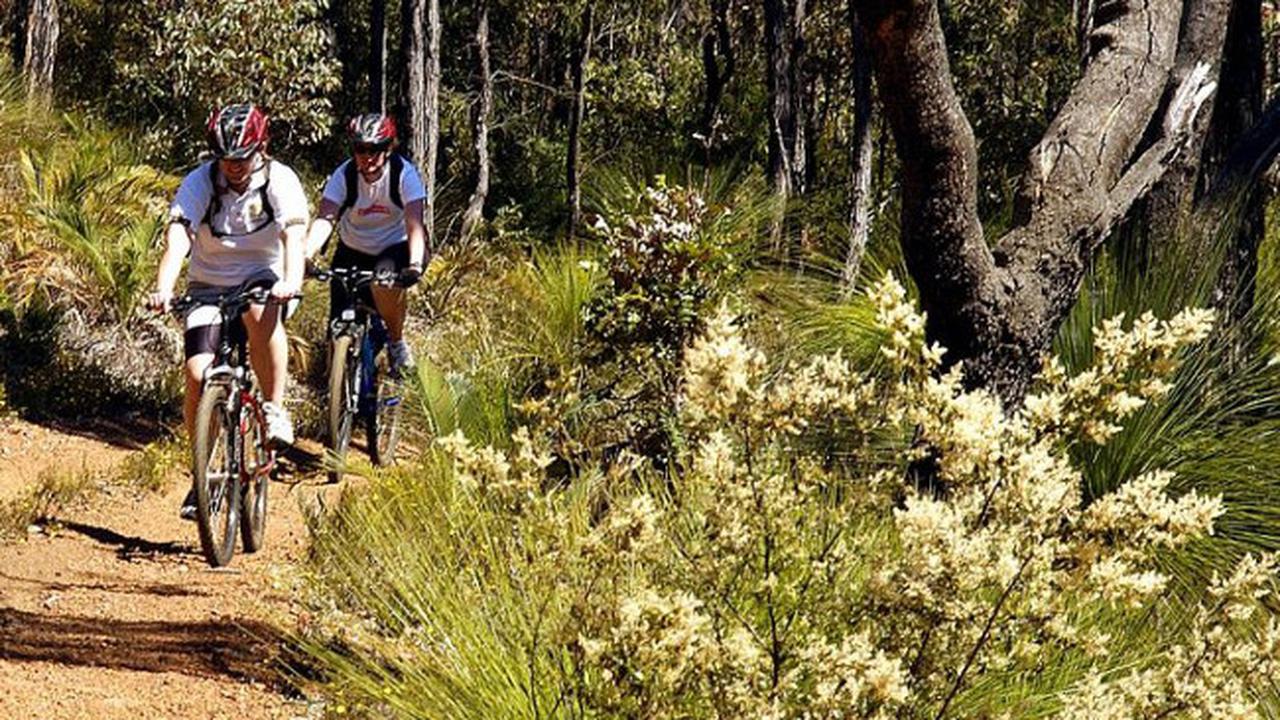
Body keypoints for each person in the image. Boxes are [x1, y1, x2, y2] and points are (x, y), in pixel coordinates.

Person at [148, 103, 308, 519]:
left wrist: (291, 281)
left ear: (261, 148)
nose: (234, 166)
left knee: (257, 309)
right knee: (196, 373)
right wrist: (164, 288)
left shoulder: (280, 180)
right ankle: (203, 470)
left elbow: (293, 237)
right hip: (208, 284)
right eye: (225, 158)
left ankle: (274, 408)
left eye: (242, 157)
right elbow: (178, 237)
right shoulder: (200, 181)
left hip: (264, 278)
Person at [305, 113, 428, 374]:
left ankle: (396, 342)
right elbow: (325, 219)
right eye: (361, 149)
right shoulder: (344, 175)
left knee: (383, 282)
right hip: (352, 249)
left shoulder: (403, 174)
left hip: (394, 247)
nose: (368, 157)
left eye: (376, 149)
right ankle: (341, 380)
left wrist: (415, 265)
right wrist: (306, 254)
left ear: (389, 148)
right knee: (336, 330)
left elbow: (414, 223)